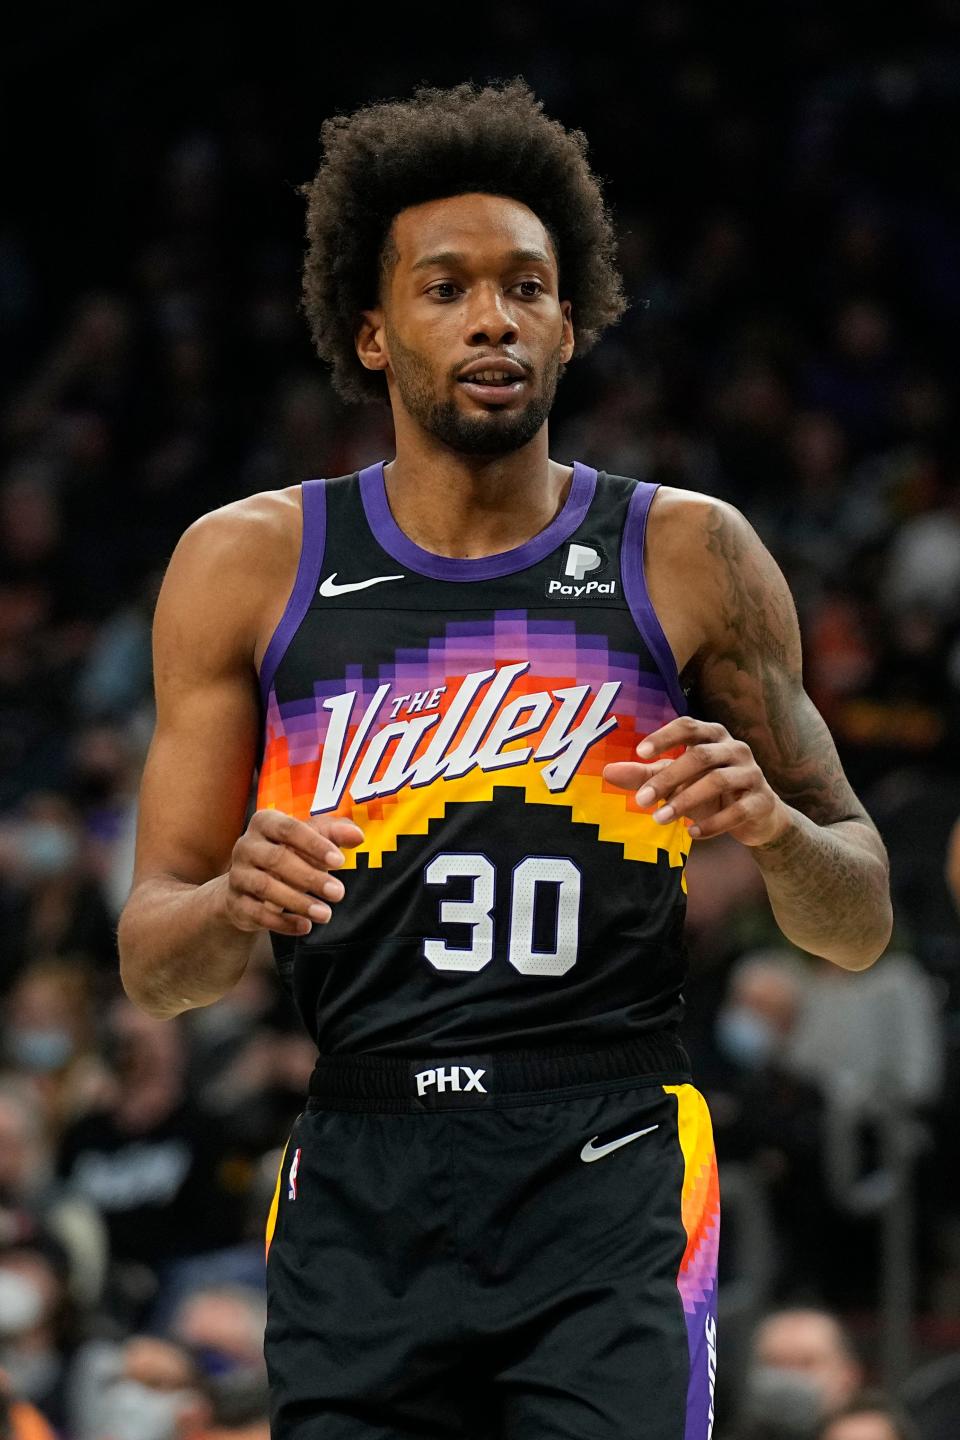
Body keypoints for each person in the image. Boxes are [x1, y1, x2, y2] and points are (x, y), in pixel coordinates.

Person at [117, 79, 893, 1440]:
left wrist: (773, 828)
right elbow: (155, 959)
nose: (494, 315)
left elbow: (860, 917)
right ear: (371, 330)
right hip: (364, 1161)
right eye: (448, 286)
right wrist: (234, 897)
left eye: (528, 287)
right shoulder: (245, 564)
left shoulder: (689, 553)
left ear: (571, 320)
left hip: (607, 1157)